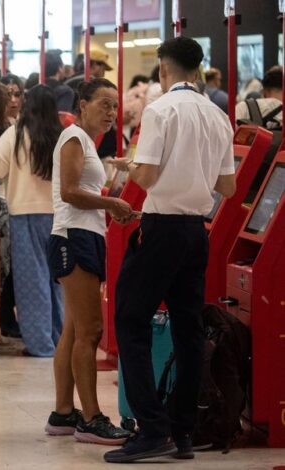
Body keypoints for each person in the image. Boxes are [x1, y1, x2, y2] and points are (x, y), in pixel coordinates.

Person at [104, 37, 237, 464]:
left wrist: (132, 166)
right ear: (198, 69)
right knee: (188, 328)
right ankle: (183, 430)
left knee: (130, 318)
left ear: (163, 69)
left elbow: (148, 176)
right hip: (197, 232)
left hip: (160, 228)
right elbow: (228, 187)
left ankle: (152, 428)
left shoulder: (160, 110)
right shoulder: (218, 117)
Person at [45, 78, 133, 446]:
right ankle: (92, 418)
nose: (111, 112)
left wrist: (115, 190)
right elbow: (69, 192)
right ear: (82, 104)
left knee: (72, 329)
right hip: (74, 237)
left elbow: (85, 190)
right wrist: (112, 203)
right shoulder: (74, 138)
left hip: (83, 235)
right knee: (90, 331)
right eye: (104, 104)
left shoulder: (88, 144)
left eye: (115, 106)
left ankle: (64, 413)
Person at [0, 85, 64, 357]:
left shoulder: (15, 133)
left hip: (25, 213)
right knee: (58, 280)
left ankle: (41, 344)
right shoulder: (62, 135)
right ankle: (61, 339)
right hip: (59, 215)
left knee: (32, 281)